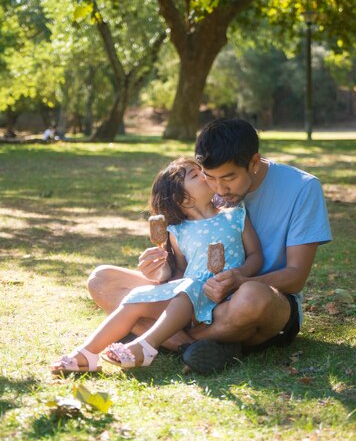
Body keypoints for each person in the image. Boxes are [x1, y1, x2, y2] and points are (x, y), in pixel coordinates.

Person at [51, 156, 262, 374]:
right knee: (138, 297)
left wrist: (238, 275)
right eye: (194, 174)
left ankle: (146, 345)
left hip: (224, 296)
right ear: (184, 199)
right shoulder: (177, 232)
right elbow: (180, 272)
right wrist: (161, 271)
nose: (204, 174)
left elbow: (256, 255)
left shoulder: (235, 215)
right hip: (189, 300)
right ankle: (86, 353)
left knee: (188, 286)